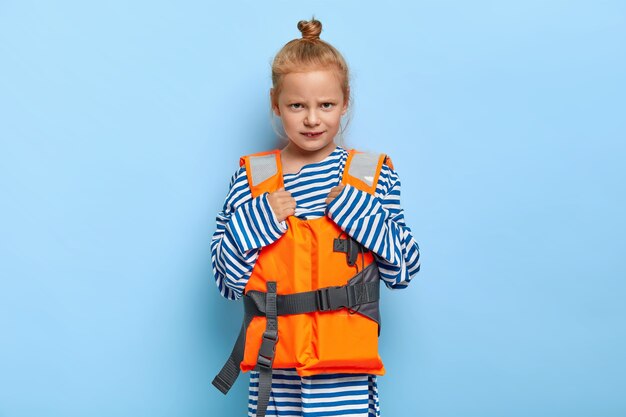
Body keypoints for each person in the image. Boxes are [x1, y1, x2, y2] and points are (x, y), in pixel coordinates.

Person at [210, 18, 421, 417]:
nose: (312, 119)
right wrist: (256, 219)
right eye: (296, 105)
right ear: (275, 103)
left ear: (345, 103)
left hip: (343, 376)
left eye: (326, 105)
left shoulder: (370, 176)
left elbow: (404, 269)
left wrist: (359, 213)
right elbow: (226, 283)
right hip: (275, 367)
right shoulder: (252, 179)